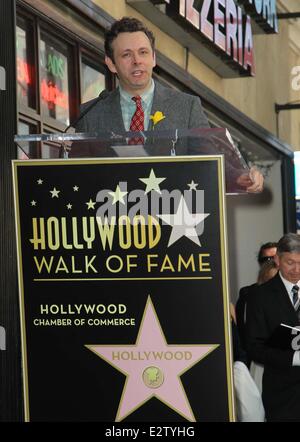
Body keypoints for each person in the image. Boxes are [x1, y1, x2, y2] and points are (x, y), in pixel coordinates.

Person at [71, 16, 263, 193]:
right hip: (110, 222)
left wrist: (240, 177)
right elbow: (75, 177)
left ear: (153, 58)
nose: (137, 61)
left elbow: (210, 160)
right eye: (126, 55)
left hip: (172, 220)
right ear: (111, 63)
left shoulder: (186, 107)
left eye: (143, 52)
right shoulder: (91, 114)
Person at [245, 233, 300, 422]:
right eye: (290, 262)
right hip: (282, 396)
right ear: (277, 259)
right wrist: (294, 357)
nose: (296, 269)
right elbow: (254, 348)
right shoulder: (259, 297)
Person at [236, 241, 278, 354]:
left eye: (275, 257)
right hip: (259, 358)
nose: (272, 262)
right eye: (266, 259)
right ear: (260, 263)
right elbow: (243, 332)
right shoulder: (248, 293)